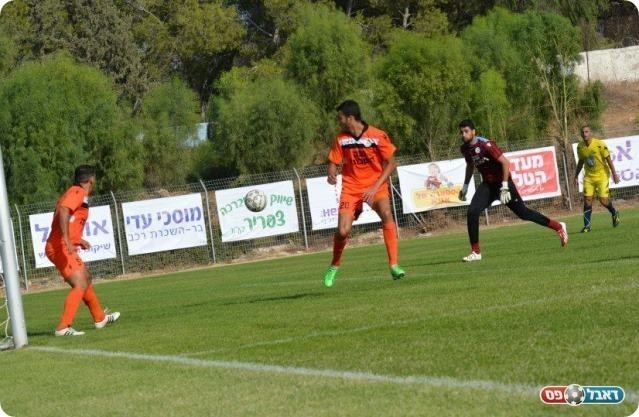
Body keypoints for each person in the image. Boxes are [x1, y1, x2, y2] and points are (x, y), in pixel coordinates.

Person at [457, 119, 568, 262]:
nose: (463, 135)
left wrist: (504, 186)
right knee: (472, 211)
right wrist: (465, 186)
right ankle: (476, 252)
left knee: (524, 214)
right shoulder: (465, 149)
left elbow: (505, 162)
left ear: (473, 131)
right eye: (461, 132)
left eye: (466, 131)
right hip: (488, 185)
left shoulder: (486, 145)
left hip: (503, 184)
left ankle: (558, 226)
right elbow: (470, 166)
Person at [323, 100, 405, 287]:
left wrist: (374, 187)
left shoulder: (377, 135)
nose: (338, 121)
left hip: (375, 185)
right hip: (351, 188)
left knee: (386, 213)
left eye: (340, 118)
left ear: (350, 118)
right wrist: (331, 171)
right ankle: (334, 265)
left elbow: (392, 163)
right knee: (342, 231)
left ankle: (394, 265)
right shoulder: (341, 138)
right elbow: (333, 160)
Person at [45, 165, 120, 336]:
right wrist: (66, 239)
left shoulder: (78, 193)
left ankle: (100, 318)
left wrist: (78, 240)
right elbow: (64, 210)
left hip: (62, 244)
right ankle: (63, 327)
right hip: (59, 246)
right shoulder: (77, 192)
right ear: (90, 179)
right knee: (80, 282)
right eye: (94, 178)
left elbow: (70, 219)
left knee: (86, 277)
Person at [574, 126, 620, 233]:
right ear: (581, 134)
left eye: (586, 132)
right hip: (589, 177)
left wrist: (614, 174)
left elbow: (608, 160)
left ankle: (614, 212)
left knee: (603, 200)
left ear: (591, 133)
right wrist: (576, 176)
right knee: (587, 200)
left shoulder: (600, 144)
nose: (584, 134)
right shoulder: (580, 147)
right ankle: (587, 226)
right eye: (583, 132)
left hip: (602, 176)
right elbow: (581, 161)